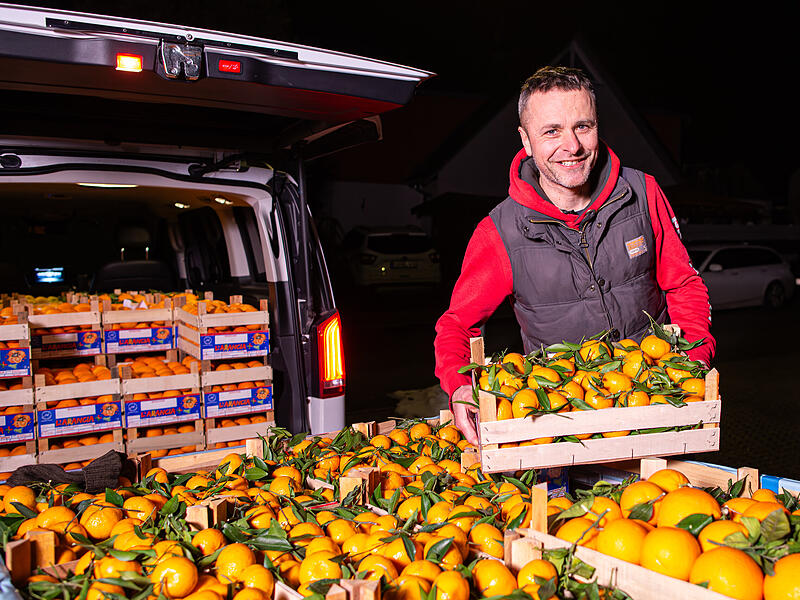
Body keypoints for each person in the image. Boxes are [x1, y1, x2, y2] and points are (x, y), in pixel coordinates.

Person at [433, 66, 715, 445]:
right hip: (560, 428)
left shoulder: (643, 193)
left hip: (658, 410)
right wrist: (459, 387)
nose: (572, 146)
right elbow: (457, 326)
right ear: (526, 141)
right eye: (552, 131)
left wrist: (693, 365)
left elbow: (683, 284)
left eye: (583, 126)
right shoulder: (499, 231)